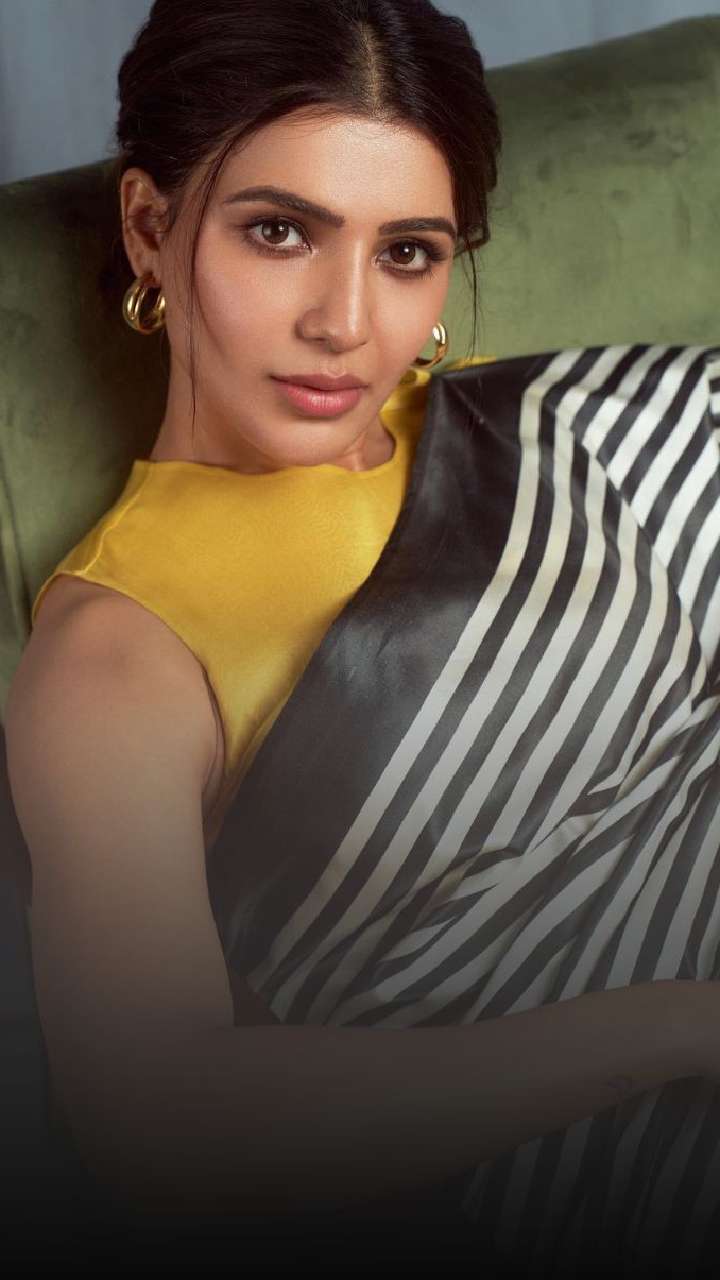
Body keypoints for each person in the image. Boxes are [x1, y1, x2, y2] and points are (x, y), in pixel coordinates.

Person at [4, 0, 720, 1274]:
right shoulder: (118, 656)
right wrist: (675, 1026)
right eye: (280, 231)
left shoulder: (538, 429)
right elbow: (159, 1120)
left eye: (407, 251)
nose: (345, 320)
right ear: (150, 226)